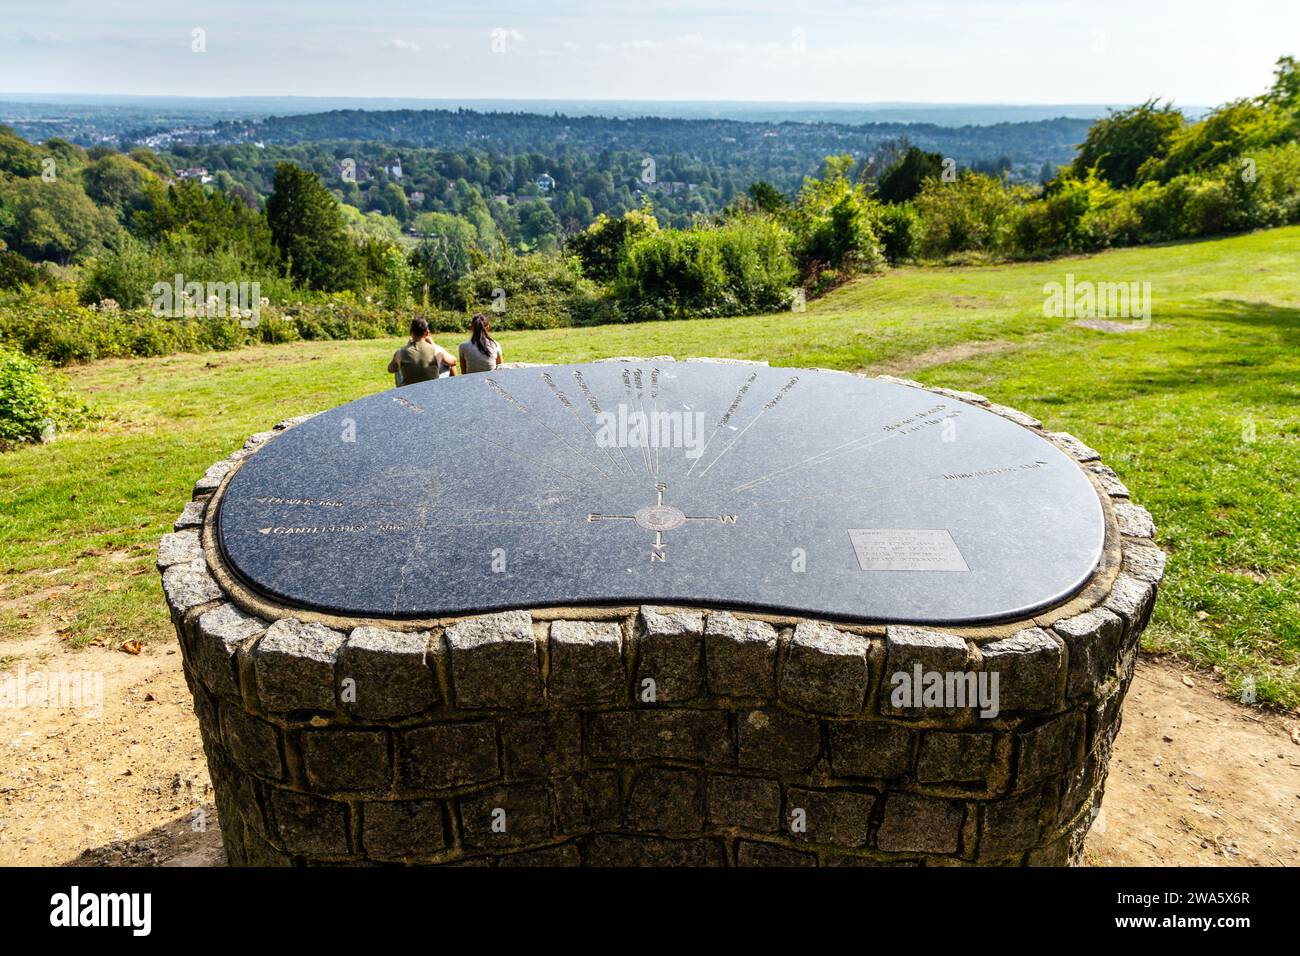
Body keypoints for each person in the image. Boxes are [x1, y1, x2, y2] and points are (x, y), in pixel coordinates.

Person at [388, 317, 457, 387]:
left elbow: (391, 369)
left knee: (398, 365)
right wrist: (433, 344)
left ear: (410, 332)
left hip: (408, 391)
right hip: (432, 389)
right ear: (427, 333)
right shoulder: (436, 350)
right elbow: (453, 361)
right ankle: (453, 388)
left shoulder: (400, 352)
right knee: (448, 364)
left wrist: (407, 346)